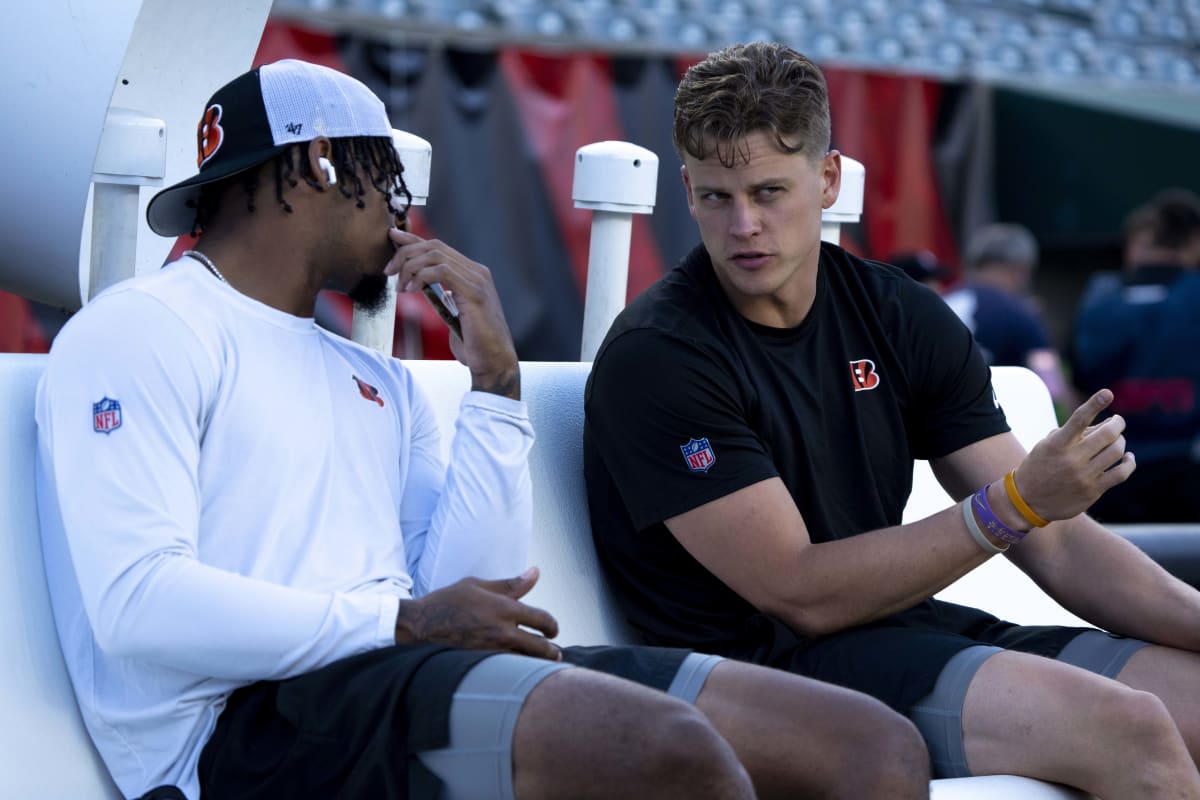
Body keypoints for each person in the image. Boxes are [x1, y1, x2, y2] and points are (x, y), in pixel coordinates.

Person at [34, 59, 931, 800]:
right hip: (240, 732)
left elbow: (472, 589)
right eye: (386, 178)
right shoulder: (144, 327)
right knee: (661, 751)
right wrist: (401, 623)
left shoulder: (365, 372)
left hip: (390, 677)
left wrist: (495, 389)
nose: (401, 212)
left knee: (863, 748)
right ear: (316, 165)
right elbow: (137, 603)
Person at [584, 41, 1200, 796]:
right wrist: (1013, 505)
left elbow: (1062, 545)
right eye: (716, 196)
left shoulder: (896, 311)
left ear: (830, 178)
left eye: (770, 191)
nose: (744, 224)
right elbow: (799, 594)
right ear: (686, 188)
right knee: (1130, 729)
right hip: (763, 672)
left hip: (898, 630)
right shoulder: (661, 355)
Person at [1072, 188, 1200, 522]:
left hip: (1108, 466)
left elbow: (1076, 386)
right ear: (1191, 241)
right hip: (1184, 467)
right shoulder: (1192, 295)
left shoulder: (1099, 296)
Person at [942, 223, 1076, 413]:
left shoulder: (940, 301)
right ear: (1020, 268)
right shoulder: (1018, 312)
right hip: (993, 424)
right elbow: (1051, 383)